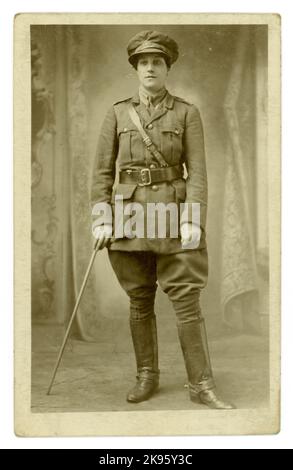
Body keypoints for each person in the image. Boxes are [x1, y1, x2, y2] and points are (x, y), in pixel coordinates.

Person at [91, 30, 235, 409]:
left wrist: (194, 219)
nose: (150, 67)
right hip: (130, 217)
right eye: (143, 62)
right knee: (140, 299)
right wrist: (102, 218)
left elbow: (198, 173)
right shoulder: (118, 113)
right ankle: (146, 377)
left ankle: (201, 385)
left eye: (157, 62)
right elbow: (102, 173)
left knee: (187, 301)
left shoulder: (187, 112)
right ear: (136, 69)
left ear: (167, 68)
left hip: (173, 215)